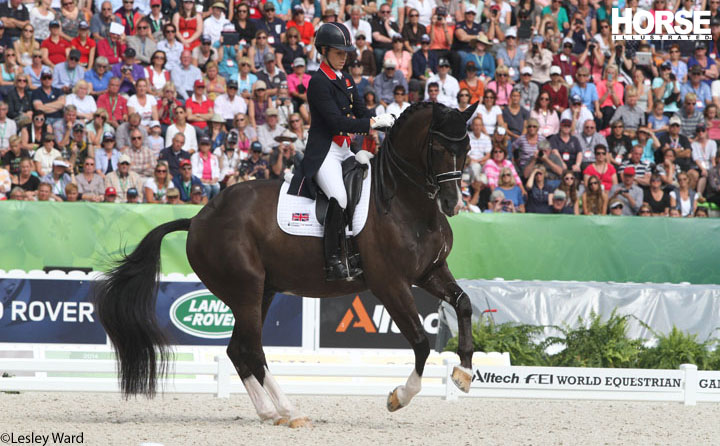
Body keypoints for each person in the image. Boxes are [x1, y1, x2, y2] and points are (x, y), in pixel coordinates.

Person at [287, 23, 394, 281]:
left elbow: (360, 111)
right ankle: (333, 260)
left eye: (346, 51)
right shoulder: (318, 83)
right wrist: (371, 124)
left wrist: (385, 123)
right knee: (340, 197)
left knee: (367, 193)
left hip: (345, 148)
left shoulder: (345, 78)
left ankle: (358, 249)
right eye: (338, 51)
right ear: (323, 50)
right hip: (325, 152)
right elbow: (337, 122)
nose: (345, 56)